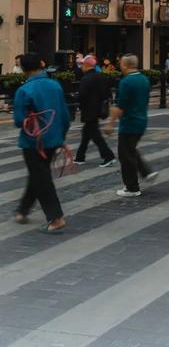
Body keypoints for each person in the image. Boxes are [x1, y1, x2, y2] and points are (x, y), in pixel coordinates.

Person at [13, 52, 70, 232]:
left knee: (41, 177)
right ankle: (23, 210)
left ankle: (55, 216)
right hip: (53, 138)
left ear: (23, 69)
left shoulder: (24, 90)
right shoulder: (55, 85)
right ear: (42, 64)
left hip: (33, 141)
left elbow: (18, 119)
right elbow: (65, 114)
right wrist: (61, 135)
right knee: (39, 174)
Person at [106, 54, 156, 196]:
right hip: (142, 120)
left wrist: (110, 123)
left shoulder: (126, 82)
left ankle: (132, 187)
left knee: (125, 154)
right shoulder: (144, 79)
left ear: (125, 65)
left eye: (121, 63)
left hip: (129, 122)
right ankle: (146, 172)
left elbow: (119, 106)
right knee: (130, 149)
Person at [74, 55, 116, 167]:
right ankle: (80, 157)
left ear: (87, 65)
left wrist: (75, 97)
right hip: (98, 110)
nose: (81, 66)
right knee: (86, 134)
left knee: (95, 135)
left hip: (89, 110)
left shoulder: (86, 78)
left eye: (82, 64)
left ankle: (108, 156)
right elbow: (107, 93)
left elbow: (82, 95)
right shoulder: (101, 76)